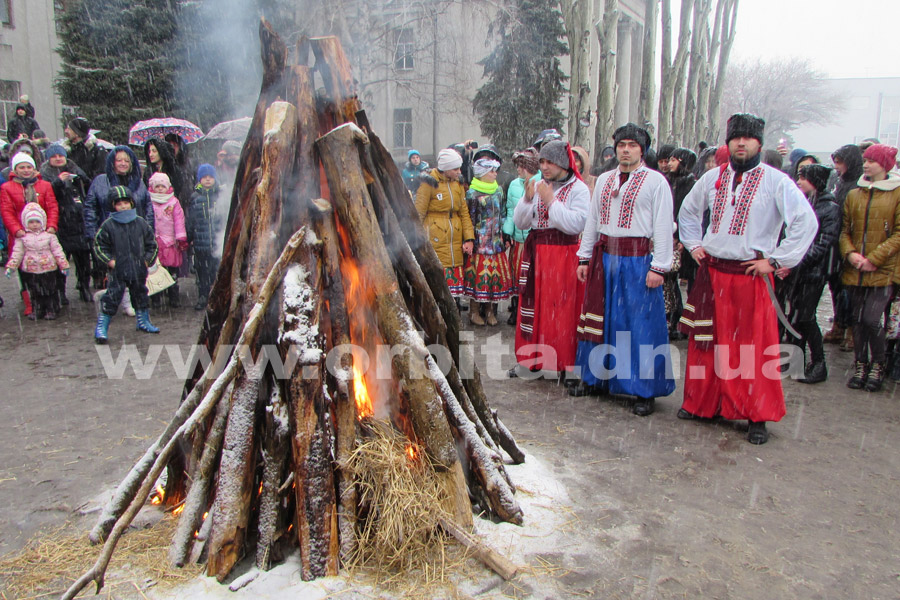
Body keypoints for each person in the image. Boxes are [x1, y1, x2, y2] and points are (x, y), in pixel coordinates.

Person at [678, 113, 817, 445]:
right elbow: (688, 211)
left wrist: (777, 260)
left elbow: (805, 222)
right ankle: (703, 403)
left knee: (752, 347)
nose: (741, 143)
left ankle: (757, 413)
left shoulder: (776, 181)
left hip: (749, 275)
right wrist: (694, 244)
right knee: (706, 343)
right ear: (728, 143)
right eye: (736, 137)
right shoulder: (712, 177)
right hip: (713, 274)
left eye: (748, 138)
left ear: (759, 143)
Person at [568, 124, 675, 416]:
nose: (625, 149)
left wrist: (660, 267)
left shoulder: (656, 182)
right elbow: (593, 220)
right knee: (600, 319)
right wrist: (584, 257)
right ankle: (595, 379)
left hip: (637, 260)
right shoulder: (603, 180)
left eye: (632, 145)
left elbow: (664, 226)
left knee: (639, 323)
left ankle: (644, 389)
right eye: (621, 144)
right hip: (605, 260)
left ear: (642, 150)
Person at [510, 139, 589, 378]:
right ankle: (529, 360)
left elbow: (574, 224)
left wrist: (550, 201)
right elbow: (521, 223)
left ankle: (563, 362)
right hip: (536, 254)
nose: (544, 166)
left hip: (563, 255)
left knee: (560, 309)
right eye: (542, 161)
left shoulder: (578, 189)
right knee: (532, 306)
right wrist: (526, 199)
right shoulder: (537, 183)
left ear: (564, 163)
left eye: (550, 162)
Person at [839, 144, 900, 392]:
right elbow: (845, 230)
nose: (866, 164)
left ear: (885, 165)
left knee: (872, 319)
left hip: (883, 269)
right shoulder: (855, 194)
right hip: (856, 269)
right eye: (865, 160)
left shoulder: (896, 193)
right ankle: (860, 364)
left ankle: (878, 364)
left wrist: (874, 258)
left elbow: (897, 234)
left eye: (872, 161)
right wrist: (850, 253)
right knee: (857, 319)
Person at [782, 164, 841, 384]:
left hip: (814, 272)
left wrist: (796, 260)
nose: (799, 181)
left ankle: (819, 363)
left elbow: (824, 242)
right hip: (800, 271)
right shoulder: (807, 203)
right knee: (795, 315)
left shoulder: (829, 208)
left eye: (804, 178)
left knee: (806, 317)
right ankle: (795, 358)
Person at [93, 186, 159, 343]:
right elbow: (99, 246)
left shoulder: (141, 223)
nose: (123, 206)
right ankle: (102, 326)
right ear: (112, 205)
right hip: (118, 269)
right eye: (119, 203)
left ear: (131, 203)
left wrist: (146, 260)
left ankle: (143, 321)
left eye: (126, 202)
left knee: (140, 293)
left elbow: (152, 244)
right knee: (112, 296)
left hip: (138, 268)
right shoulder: (108, 225)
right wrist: (110, 261)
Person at [85, 146, 153, 292]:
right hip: (110, 235)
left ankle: (133, 299)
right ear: (112, 162)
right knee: (114, 270)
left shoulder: (139, 183)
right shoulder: (101, 181)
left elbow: (148, 208)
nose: (123, 163)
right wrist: (92, 233)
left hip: (135, 234)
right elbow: (90, 208)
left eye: (126, 160)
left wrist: (149, 231)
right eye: (119, 160)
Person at [0, 153, 59, 317]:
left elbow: (52, 207)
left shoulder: (45, 185)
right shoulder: (7, 188)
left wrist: (51, 226)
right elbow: (7, 211)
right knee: (26, 272)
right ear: (15, 169)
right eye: (22, 167)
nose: (26, 171)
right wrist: (17, 230)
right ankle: (31, 304)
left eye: (28, 167)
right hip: (21, 236)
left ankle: (50, 304)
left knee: (47, 271)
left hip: (43, 235)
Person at [415, 148, 475, 304]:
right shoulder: (429, 182)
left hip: (454, 236)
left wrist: (469, 238)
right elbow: (418, 214)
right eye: (455, 168)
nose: (459, 171)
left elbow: (464, 212)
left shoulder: (458, 183)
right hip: (435, 237)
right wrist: (416, 240)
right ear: (445, 168)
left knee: (454, 288)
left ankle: (454, 315)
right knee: (439, 285)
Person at [463, 146, 514, 325]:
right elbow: (468, 218)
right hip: (480, 244)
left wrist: (505, 235)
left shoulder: (499, 191)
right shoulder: (472, 193)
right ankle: (474, 311)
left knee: (493, 279)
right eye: (491, 170)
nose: (495, 173)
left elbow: (503, 214)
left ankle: (491, 311)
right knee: (478, 279)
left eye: (495, 170)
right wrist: (469, 239)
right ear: (482, 172)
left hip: (496, 243)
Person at [40, 144, 93, 303]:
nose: (58, 159)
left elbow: (88, 185)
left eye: (60, 156)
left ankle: (84, 286)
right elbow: (46, 194)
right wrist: (58, 182)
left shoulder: (73, 167)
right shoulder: (45, 174)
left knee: (83, 259)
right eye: (54, 156)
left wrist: (79, 177)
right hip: (60, 221)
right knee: (60, 259)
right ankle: (60, 291)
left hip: (79, 220)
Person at [824, 144, 865, 349]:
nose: (837, 167)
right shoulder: (839, 183)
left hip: (852, 243)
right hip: (836, 241)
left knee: (850, 291)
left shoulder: (860, 185)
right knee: (836, 287)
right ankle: (839, 323)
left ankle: (851, 330)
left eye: (840, 162)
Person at [5, 203, 69, 320]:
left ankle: (52, 308)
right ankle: (38, 309)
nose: (34, 225)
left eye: (37, 221)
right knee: (35, 292)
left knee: (50, 290)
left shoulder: (49, 236)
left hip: (48, 268)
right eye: (31, 222)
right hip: (32, 269)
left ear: (42, 221)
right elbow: (17, 253)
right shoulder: (23, 238)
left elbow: (57, 251)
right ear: (26, 222)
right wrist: (11, 266)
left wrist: (63, 265)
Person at [504, 148, 538, 325]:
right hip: (518, 239)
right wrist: (507, 231)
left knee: (531, 276)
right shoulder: (514, 184)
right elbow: (511, 210)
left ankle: (530, 310)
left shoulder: (541, 182)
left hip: (534, 240)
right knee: (516, 274)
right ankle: (515, 308)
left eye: (520, 166)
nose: (517, 169)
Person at [147, 172, 187, 308]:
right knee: (155, 271)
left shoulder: (174, 202)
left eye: (162, 186)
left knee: (172, 271)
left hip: (170, 242)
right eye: (157, 186)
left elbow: (179, 221)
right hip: (155, 242)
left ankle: (173, 296)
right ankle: (156, 297)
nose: (159, 189)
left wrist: (180, 237)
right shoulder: (149, 202)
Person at [188, 164, 224, 310]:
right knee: (202, 272)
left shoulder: (219, 195)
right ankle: (203, 296)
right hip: (200, 242)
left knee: (216, 271)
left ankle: (216, 297)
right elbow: (191, 219)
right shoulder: (195, 197)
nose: (208, 180)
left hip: (216, 241)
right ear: (199, 179)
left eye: (210, 177)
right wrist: (189, 236)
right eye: (204, 177)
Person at [143, 138, 192, 209]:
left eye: (154, 151)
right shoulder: (148, 171)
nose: (151, 154)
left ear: (161, 152)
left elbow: (179, 191)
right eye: (149, 151)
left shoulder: (174, 171)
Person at [62, 117, 108, 182]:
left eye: (69, 129)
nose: (66, 131)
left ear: (77, 133)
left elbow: (100, 177)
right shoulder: (66, 150)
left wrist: (84, 181)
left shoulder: (96, 150)